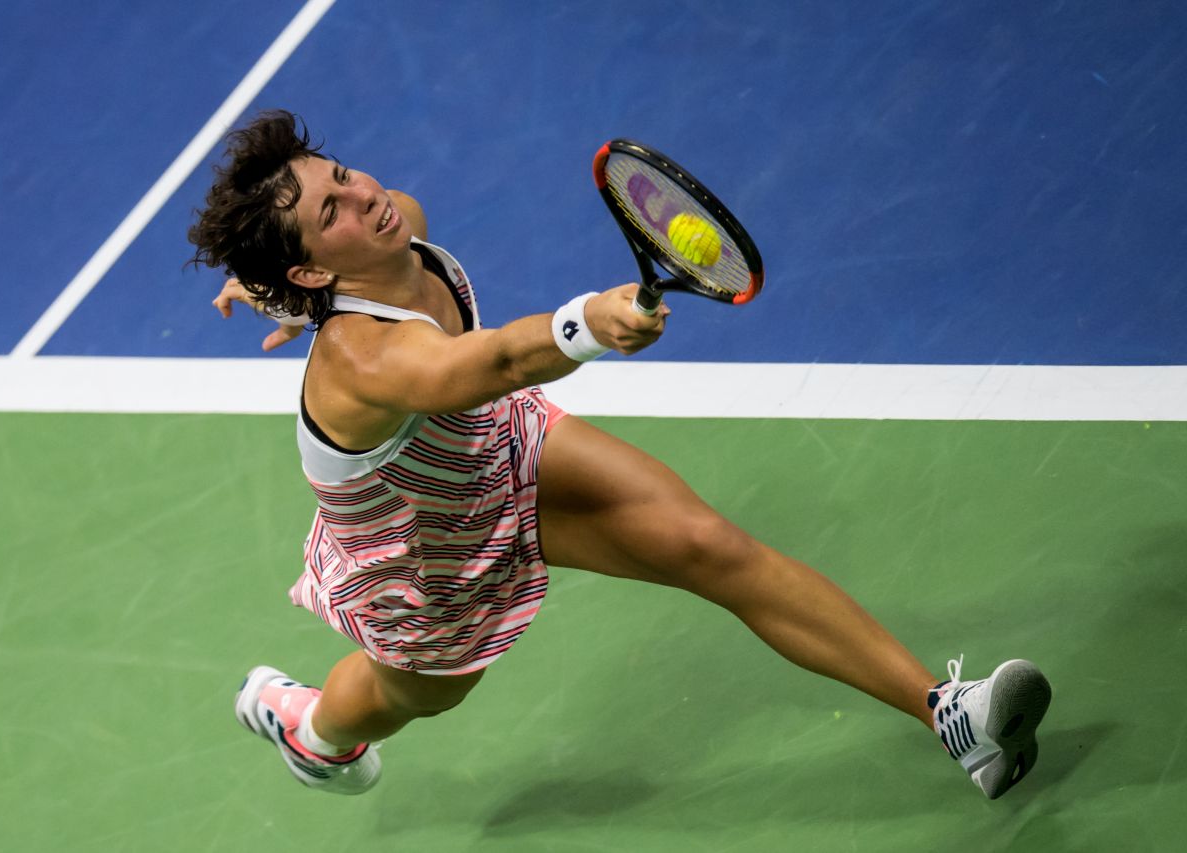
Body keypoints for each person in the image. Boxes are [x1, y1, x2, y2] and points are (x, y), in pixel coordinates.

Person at [188, 110, 1051, 801]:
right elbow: (482, 365)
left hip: (503, 450)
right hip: (428, 558)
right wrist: (586, 324)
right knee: (401, 696)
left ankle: (953, 716)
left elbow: (451, 327)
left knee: (710, 547)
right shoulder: (364, 358)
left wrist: (276, 281)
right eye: (328, 214)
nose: (361, 198)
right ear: (309, 273)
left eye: (340, 176)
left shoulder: (395, 226)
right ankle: (311, 730)